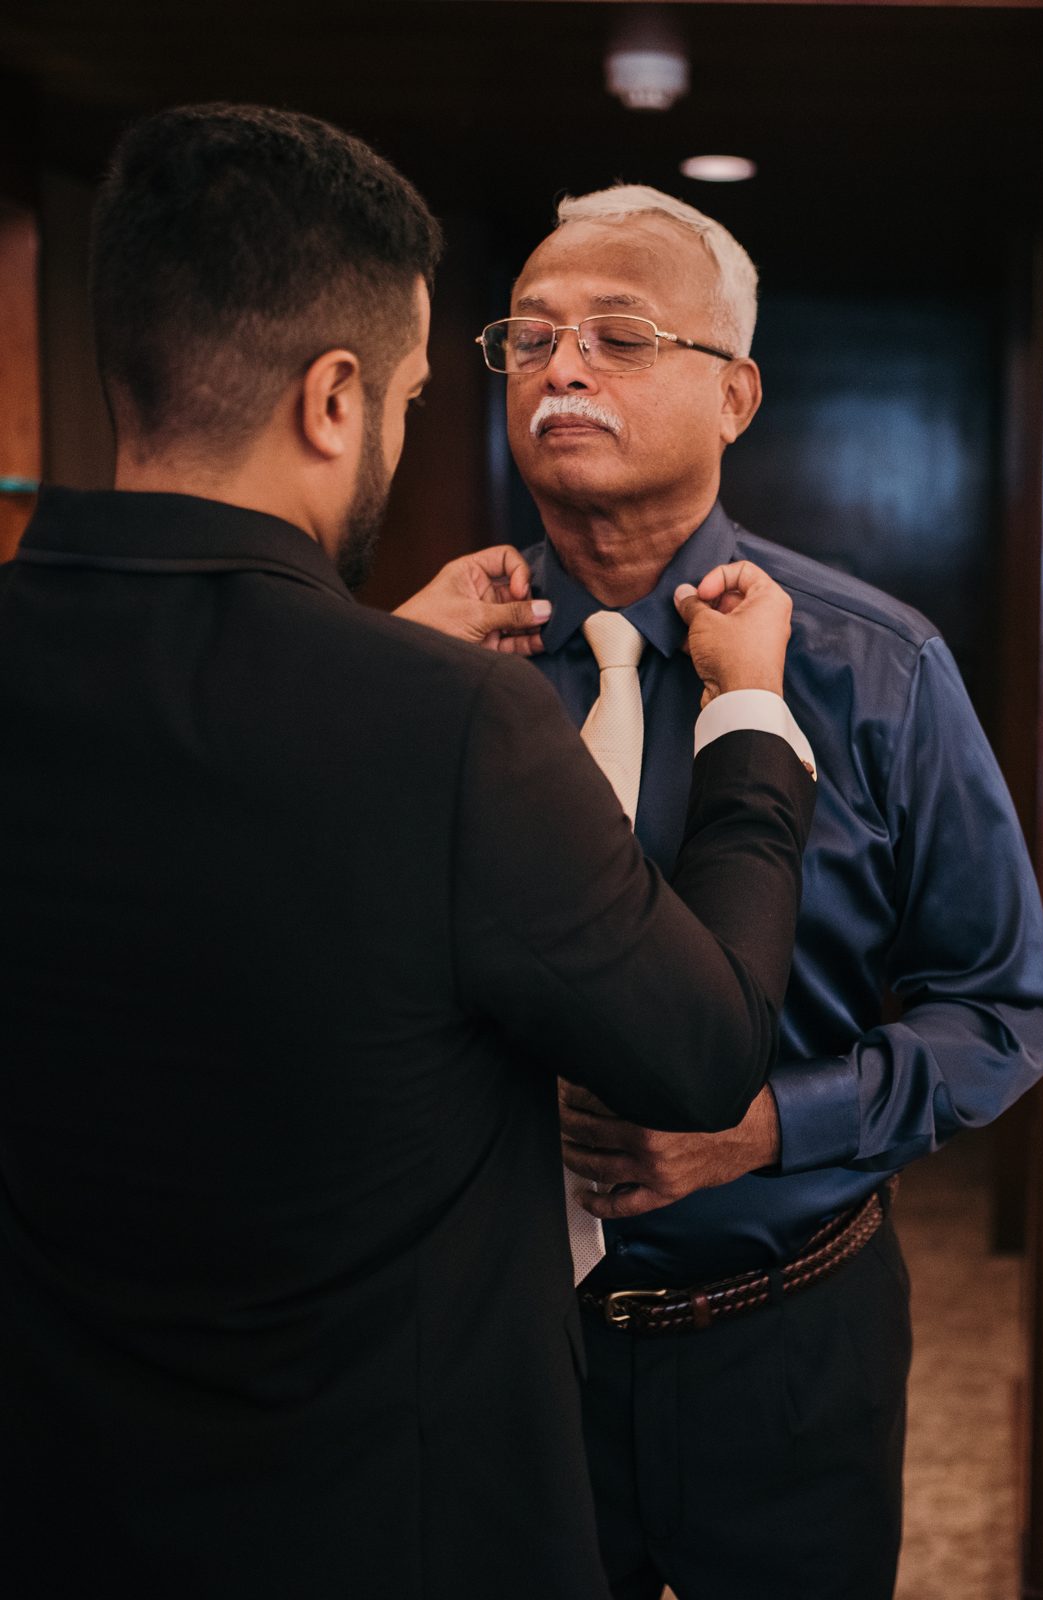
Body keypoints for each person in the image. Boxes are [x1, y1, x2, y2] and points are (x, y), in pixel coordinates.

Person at [0, 117, 820, 1600]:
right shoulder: (451, 718)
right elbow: (701, 1051)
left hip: (56, 1495)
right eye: (414, 396)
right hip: (383, 1512)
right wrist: (753, 718)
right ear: (333, 398)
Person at [400, 184, 1043, 1600]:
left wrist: (763, 1129)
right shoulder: (434, 660)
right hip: (492, 1347)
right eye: (527, 338)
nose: (561, 367)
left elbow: (1007, 1010)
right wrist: (382, 687)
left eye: (618, 336)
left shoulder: (871, 669)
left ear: (736, 395)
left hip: (785, 1337)